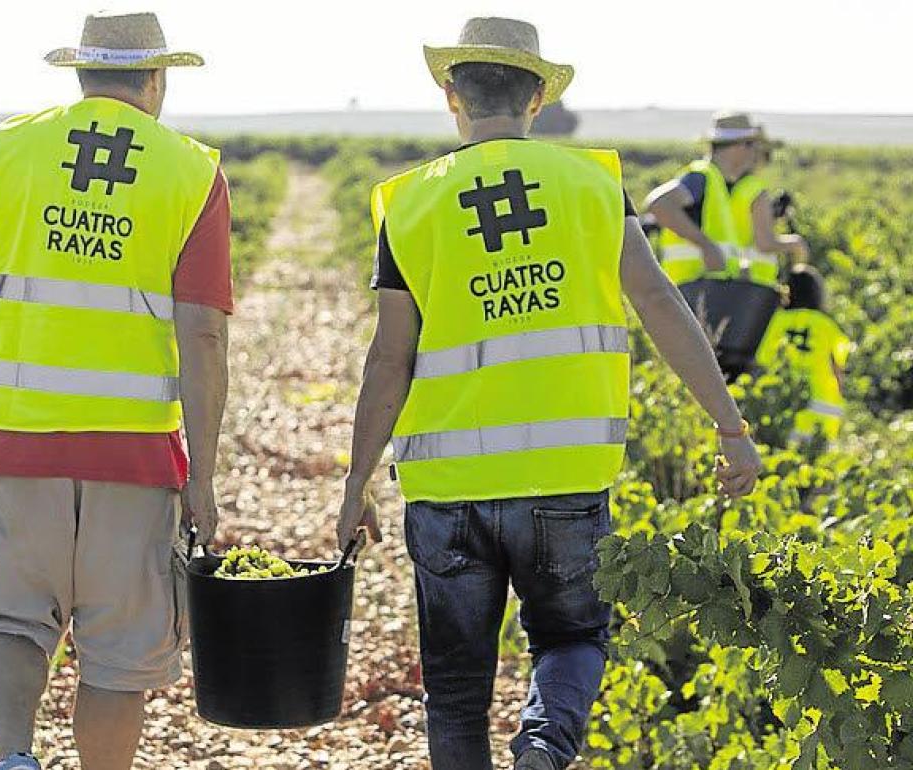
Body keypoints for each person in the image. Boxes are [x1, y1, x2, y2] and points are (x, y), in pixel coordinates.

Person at [334, 18, 764, 770]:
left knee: (457, 688)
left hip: (447, 486)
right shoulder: (593, 184)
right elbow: (661, 305)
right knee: (569, 639)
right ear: (537, 97)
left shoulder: (406, 202)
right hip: (565, 475)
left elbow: (389, 357)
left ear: (451, 97)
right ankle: (542, 746)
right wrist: (730, 427)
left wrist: (356, 479)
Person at [0, 12, 232, 770]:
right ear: (157, 78)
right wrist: (204, 478)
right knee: (117, 654)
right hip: (138, 459)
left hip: (14, 446)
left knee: (10, 624)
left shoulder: (5, 149)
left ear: (82, 74)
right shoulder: (191, 171)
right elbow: (204, 336)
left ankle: (16, 757)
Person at [645, 112, 808, 287]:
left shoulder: (719, 184)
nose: (755, 153)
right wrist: (705, 245)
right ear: (738, 146)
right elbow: (658, 203)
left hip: (707, 287)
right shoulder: (701, 177)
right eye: (752, 145)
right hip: (690, 288)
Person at [756, 265, 851, 444]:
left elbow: (763, 361)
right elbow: (838, 369)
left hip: (786, 405)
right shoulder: (827, 325)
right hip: (824, 406)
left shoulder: (776, 321)